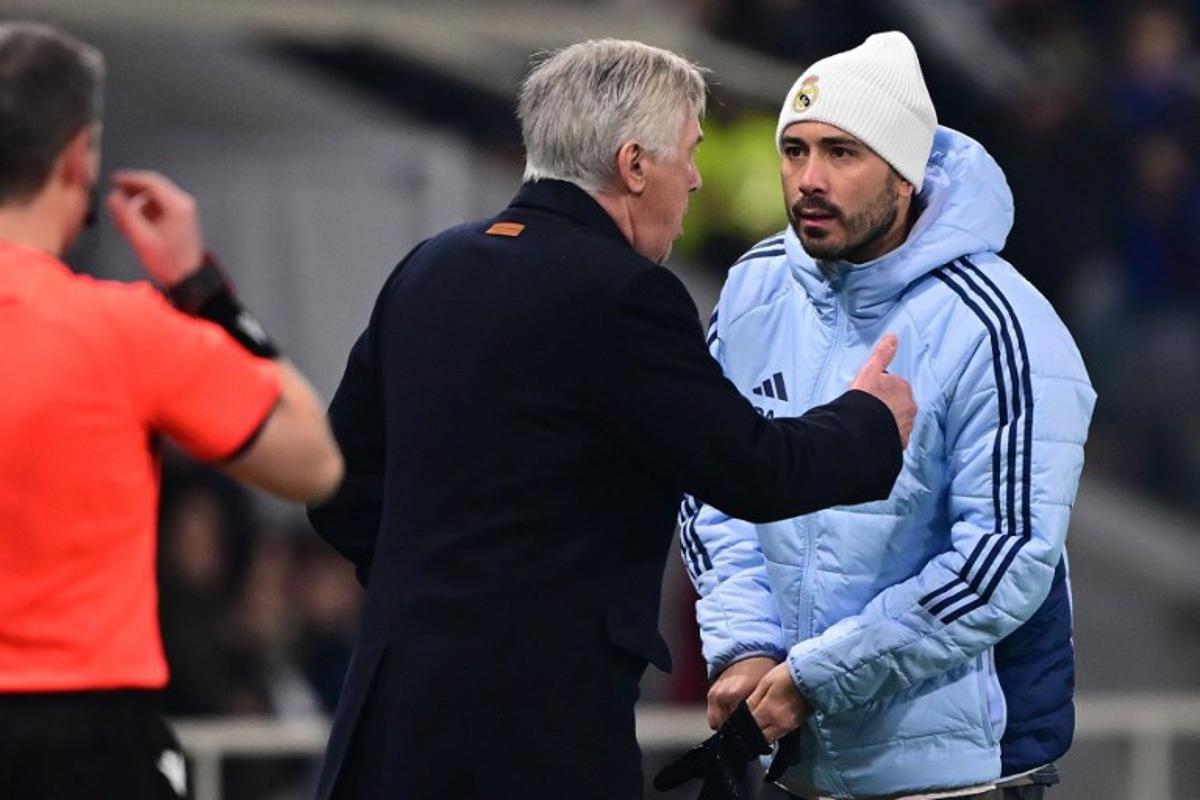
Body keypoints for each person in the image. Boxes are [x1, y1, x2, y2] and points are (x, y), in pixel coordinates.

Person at [308, 38, 917, 800]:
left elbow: (332, 486)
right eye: (688, 153)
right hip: (533, 735)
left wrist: (435, 589)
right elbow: (750, 468)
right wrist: (869, 422)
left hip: (385, 726)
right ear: (634, 166)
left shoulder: (429, 267)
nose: (696, 179)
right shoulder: (623, 295)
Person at [683, 32, 1096, 800]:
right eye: (795, 149)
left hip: (962, 777)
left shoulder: (1001, 325)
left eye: (842, 153)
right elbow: (710, 485)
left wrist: (815, 677)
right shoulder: (753, 289)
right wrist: (745, 646)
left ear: (905, 175)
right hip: (796, 767)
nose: (808, 179)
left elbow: (1001, 563)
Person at [0, 22, 343, 800]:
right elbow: (311, 457)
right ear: (79, 157)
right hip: (85, 732)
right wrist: (199, 284)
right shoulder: (125, 329)